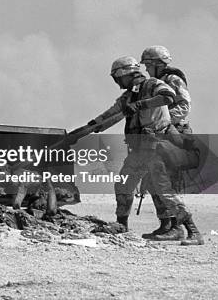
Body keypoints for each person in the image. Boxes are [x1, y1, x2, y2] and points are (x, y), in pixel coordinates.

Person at [87, 56, 196, 240]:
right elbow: (110, 115)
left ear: (125, 74)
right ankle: (122, 226)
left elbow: (168, 97)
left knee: (164, 192)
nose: (117, 82)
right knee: (123, 185)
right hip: (139, 151)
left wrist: (141, 104)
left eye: (117, 77)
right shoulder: (129, 95)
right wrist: (88, 127)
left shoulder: (153, 84)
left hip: (156, 149)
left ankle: (193, 232)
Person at [139, 45, 203, 245]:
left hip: (174, 136)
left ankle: (180, 228)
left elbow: (184, 106)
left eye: (149, 65)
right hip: (160, 135)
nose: (147, 70)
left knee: (167, 182)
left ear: (158, 64)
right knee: (151, 180)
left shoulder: (172, 80)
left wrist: (162, 120)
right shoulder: (157, 82)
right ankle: (166, 224)